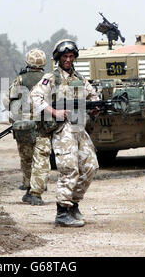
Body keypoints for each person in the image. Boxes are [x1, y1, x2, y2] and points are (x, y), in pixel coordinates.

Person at [30, 39, 100, 227]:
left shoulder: (80, 78)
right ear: (58, 58)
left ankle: (73, 204)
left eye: (71, 56)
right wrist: (54, 112)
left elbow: (93, 96)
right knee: (69, 168)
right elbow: (35, 96)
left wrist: (95, 107)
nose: (68, 60)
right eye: (65, 57)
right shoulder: (51, 78)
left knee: (90, 166)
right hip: (63, 129)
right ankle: (62, 211)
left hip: (79, 127)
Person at [3, 48, 51, 204]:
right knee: (41, 158)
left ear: (27, 61)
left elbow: (9, 101)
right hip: (44, 125)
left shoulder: (20, 79)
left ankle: (28, 185)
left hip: (24, 126)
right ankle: (36, 191)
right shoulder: (48, 79)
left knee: (26, 158)